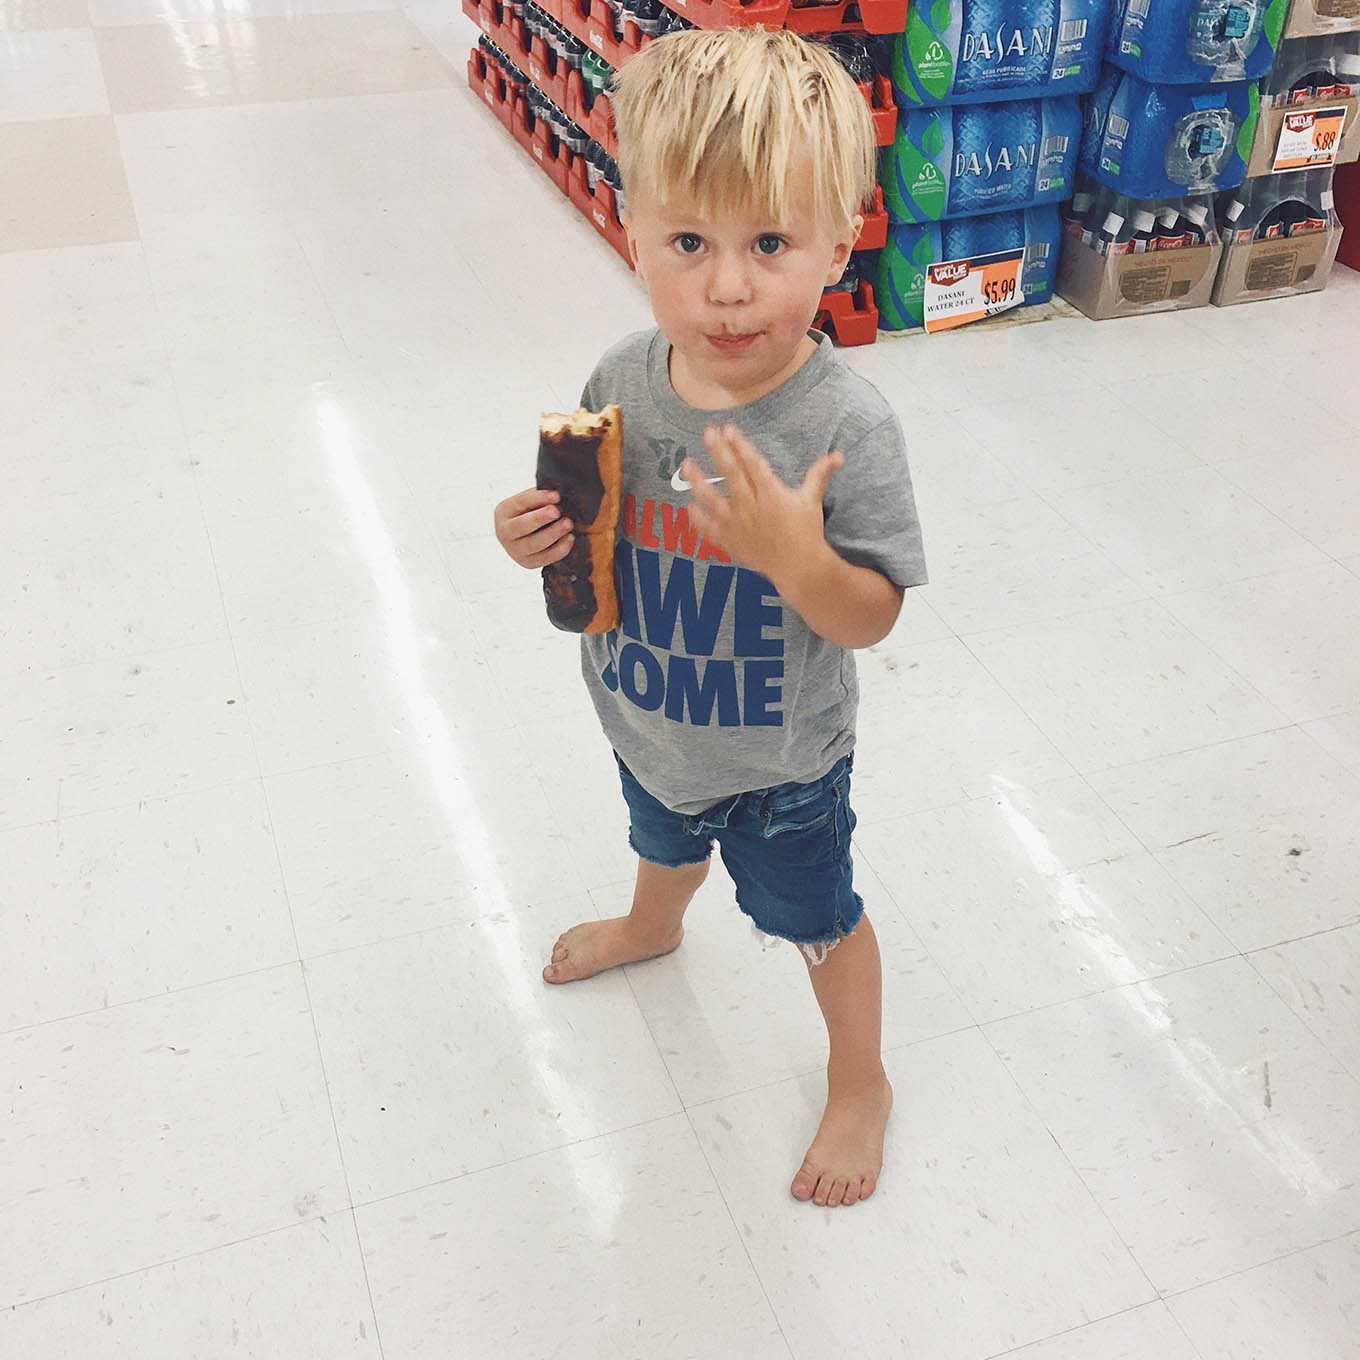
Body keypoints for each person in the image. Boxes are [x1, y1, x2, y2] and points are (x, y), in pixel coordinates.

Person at [492, 26, 927, 1209]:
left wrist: (797, 559)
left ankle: (860, 1076)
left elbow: (872, 616)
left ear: (841, 237)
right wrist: (529, 537)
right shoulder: (620, 379)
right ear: (633, 229)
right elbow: (582, 542)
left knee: (819, 919)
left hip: (783, 764)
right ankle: (654, 926)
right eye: (689, 242)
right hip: (647, 720)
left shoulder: (846, 427)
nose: (728, 286)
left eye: (770, 242)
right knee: (661, 835)